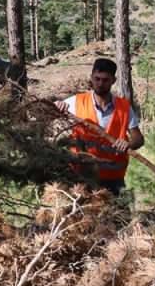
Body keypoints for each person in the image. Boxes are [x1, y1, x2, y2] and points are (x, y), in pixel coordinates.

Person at [56, 58, 145, 195]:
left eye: (105, 80)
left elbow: (138, 139)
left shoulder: (124, 107)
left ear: (113, 81)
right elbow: (45, 111)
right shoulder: (75, 102)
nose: (100, 84)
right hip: (82, 177)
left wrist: (128, 144)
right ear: (91, 77)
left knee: (118, 216)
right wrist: (56, 105)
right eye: (97, 79)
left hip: (114, 179)